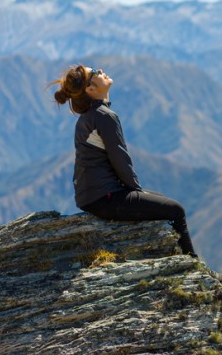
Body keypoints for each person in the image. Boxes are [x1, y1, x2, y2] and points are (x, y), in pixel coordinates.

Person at [49, 64, 197, 257]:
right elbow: (120, 159)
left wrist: (136, 194)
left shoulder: (90, 116)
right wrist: (135, 190)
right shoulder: (104, 116)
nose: (100, 70)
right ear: (91, 89)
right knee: (176, 210)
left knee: (161, 202)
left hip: (94, 197)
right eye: (94, 72)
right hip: (105, 198)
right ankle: (192, 265)